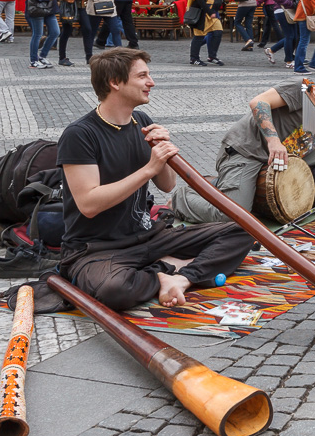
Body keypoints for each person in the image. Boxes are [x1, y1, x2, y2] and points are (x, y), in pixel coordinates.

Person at [55, 47, 253, 310]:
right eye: (142, 76)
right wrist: (149, 168)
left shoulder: (141, 120)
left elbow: (167, 185)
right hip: (97, 248)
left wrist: (162, 149)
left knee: (243, 228)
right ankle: (163, 272)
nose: (151, 82)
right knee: (114, 290)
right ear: (115, 83)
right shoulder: (80, 134)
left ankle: (180, 278)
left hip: (147, 237)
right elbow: (89, 204)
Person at [172, 52, 315, 225]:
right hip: (247, 152)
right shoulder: (307, 88)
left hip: (281, 160)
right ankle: (182, 198)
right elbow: (258, 102)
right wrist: (274, 141)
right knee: (232, 216)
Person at [185, 0, 225, 66]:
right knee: (199, 35)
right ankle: (194, 58)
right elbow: (200, 0)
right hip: (202, 11)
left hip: (211, 11)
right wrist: (209, 11)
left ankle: (212, 56)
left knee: (218, 31)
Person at [267, 0, 302, 68]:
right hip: (282, 10)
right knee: (290, 36)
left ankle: (272, 50)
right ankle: (288, 60)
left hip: (290, 9)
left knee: (295, 36)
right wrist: (289, 3)